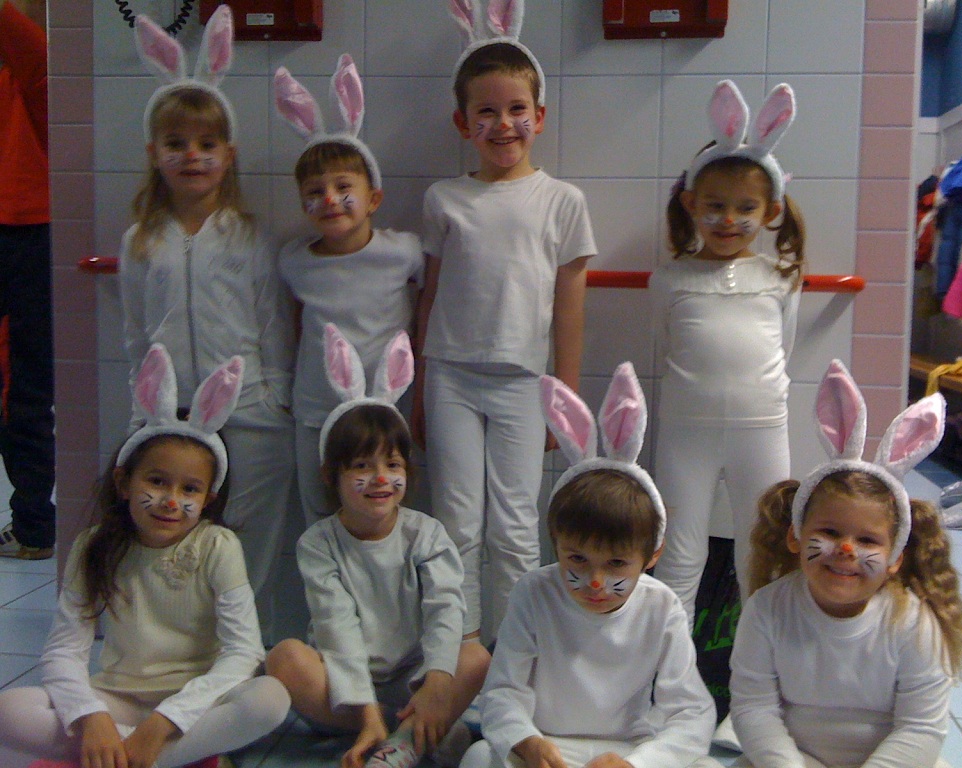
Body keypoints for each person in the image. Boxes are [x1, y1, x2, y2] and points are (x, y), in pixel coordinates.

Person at [0, 345, 291, 768]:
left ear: (208, 500)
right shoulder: (93, 545)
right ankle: (159, 756)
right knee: (9, 710)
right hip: (116, 698)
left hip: (194, 706)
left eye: (189, 489)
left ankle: (128, 757)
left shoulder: (217, 546)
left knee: (269, 699)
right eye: (156, 481)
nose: (171, 501)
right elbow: (64, 650)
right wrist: (90, 716)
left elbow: (243, 653)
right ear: (124, 482)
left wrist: (165, 721)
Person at [414, 0, 597, 641]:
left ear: (539, 117)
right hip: (450, 377)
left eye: (517, 109)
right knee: (457, 523)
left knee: (516, 527)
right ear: (462, 123)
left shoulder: (562, 201)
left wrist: (563, 398)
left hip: (523, 381)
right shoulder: (445, 199)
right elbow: (429, 299)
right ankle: (458, 650)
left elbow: (569, 309)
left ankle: (514, 652)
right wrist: (419, 390)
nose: (502, 124)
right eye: (486, 112)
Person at [118, 8, 295, 637]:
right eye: (176, 144)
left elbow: (274, 325)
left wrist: (275, 399)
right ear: (154, 154)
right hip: (175, 416)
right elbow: (136, 334)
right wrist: (144, 412)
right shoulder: (141, 240)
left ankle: (249, 657)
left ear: (228, 153)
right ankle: (185, 654)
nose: (192, 156)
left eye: (207, 145)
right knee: (179, 542)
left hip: (251, 413)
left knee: (249, 543)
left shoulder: (249, 235)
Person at [461, 362, 718, 768]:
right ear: (556, 543)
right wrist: (526, 742)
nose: (595, 582)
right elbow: (502, 691)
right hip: (548, 746)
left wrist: (639, 763)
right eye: (578, 559)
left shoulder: (661, 605)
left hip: (627, 751)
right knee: (479, 758)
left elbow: (693, 712)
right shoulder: (533, 591)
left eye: (616, 564)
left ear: (652, 555)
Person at [266, 326, 490, 768]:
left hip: (413, 683)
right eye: (362, 467)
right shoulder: (318, 544)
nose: (381, 479)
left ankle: (408, 735)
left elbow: (445, 609)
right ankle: (409, 733)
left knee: (475, 656)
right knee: (284, 658)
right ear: (331, 475)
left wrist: (436, 683)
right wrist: (367, 713)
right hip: (343, 692)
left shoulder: (426, 534)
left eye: (392, 464)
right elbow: (336, 627)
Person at [729, 360, 962, 768]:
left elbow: (921, 729)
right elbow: (754, 710)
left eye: (867, 540)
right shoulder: (767, 609)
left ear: (895, 558)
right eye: (830, 531)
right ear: (796, 537)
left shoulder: (913, 623)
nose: (845, 549)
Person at [649, 79, 805, 621]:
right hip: (685, 430)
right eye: (715, 206)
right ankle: (670, 665)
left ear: (770, 211)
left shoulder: (781, 277)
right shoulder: (671, 279)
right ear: (691, 204)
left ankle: (757, 666)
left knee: (760, 555)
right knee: (679, 554)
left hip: (761, 428)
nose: (729, 220)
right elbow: (666, 345)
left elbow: (784, 349)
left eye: (745, 208)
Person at [274, 54, 423, 526]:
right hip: (316, 409)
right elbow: (293, 325)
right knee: (319, 512)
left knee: (387, 516)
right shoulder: (295, 260)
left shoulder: (403, 252)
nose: (329, 199)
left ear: (374, 198)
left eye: (343, 186)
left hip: (386, 406)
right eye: (314, 191)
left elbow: (432, 304)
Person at [0, 0, 54, 561]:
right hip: (18, 231)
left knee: (22, 388)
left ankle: (35, 525)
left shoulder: (31, 80)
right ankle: (33, 522)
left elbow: (30, 46)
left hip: (22, 234)